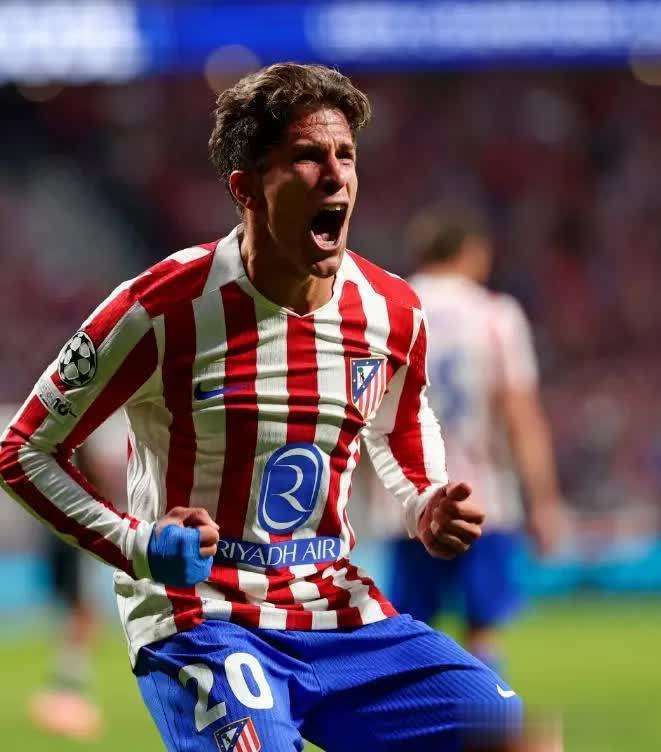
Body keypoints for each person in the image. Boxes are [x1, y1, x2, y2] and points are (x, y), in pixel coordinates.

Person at [0, 64, 523, 751]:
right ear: (245, 187)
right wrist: (137, 544)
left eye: (345, 155)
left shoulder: (391, 310)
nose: (336, 176)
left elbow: (398, 420)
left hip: (334, 608)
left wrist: (422, 498)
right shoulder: (162, 308)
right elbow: (24, 449)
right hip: (202, 616)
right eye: (307, 156)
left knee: (504, 732)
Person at [380, 204, 564, 674]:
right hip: (484, 497)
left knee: (409, 627)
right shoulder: (495, 316)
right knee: (483, 626)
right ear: (472, 252)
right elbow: (520, 414)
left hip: (409, 499)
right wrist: (543, 500)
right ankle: (486, 716)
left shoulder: (390, 312)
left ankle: (413, 717)